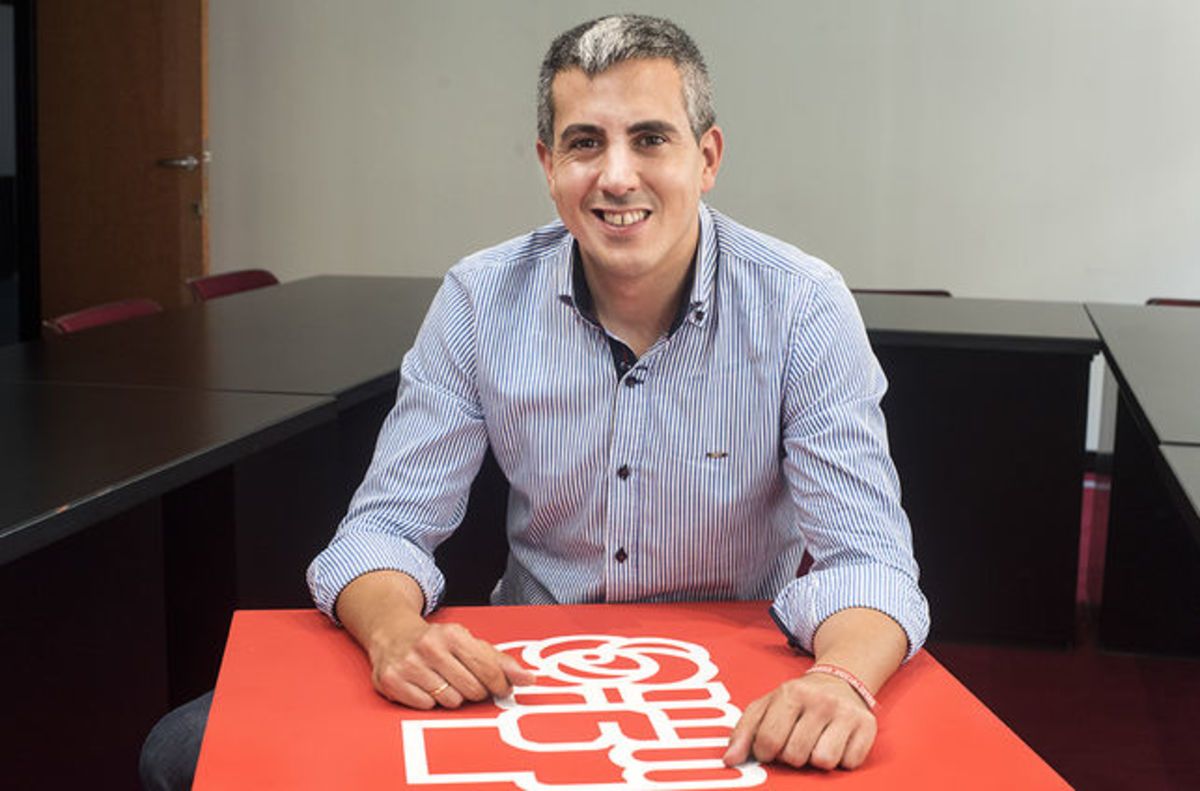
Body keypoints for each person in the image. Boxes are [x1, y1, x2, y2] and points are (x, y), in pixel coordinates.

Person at [140, 14, 927, 788]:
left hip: (731, 677)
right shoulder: (482, 298)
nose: (616, 176)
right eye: (585, 143)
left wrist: (840, 679)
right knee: (186, 749)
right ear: (549, 166)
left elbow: (869, 560)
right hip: (528, 672)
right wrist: (395, 631)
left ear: (707, 156)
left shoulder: (801, 306)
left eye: (650, 138)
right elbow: (384, 528)